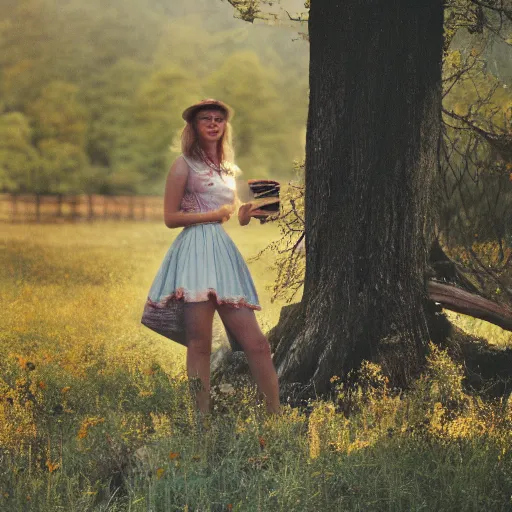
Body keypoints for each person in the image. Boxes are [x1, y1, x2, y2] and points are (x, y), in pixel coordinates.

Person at [141, 99, 280, 414]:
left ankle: (275, 420)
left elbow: (232, 215)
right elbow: (170, 217)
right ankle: (200, 424)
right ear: (194, 126)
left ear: (225, 126)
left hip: (221, 251)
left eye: (219, 119)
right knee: (199, 343)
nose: (214, 124)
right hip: (194, 253)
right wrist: (211, 215)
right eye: (206, 119)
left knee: (257, 343)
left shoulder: (229, 169)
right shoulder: (183, 165)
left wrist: (249, 211)